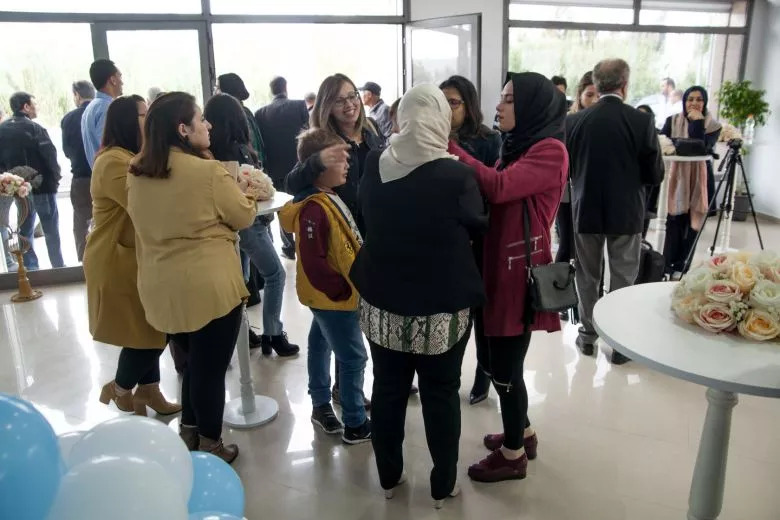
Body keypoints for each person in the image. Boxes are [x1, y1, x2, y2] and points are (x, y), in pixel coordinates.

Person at [351, 84, 487, 506]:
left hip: (382, 302)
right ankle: (443, 484)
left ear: (402, 117)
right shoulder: (457, 175)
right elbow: (477, 223)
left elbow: (365, 213)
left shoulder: (375, 162)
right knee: (441, 392)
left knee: (388, 390)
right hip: (439, 309)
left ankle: (390, 477)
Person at [447, 72, 568, 483]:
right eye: (501, 98)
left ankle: (513, 455)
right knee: (495, 360)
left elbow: (499, 188)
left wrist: (450, 150)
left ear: (534, 106)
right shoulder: (518, 145)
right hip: (496, 266)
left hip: (517, 275)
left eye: (510, 100)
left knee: (505, 369)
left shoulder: (550, 151)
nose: (499, 107)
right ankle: (524, 432)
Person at [126, 92, 257, 463]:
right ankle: (211, 443)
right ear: (183, 129)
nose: (208, 125)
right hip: (209, 286)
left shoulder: (137, 171)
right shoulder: (207, 172)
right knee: (210, 371)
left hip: (161, 286)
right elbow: (244, 216)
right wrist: (240, 192)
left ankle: (189, 429)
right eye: (201, 119)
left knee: (191, 365)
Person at [286, 73, 385, 406]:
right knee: (341, 319)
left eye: (353, 95)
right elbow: (294, 183)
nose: (350, 104)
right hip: (338, 242)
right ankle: (344, 392)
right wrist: (317, 162)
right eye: (340, 99)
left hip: (368, 236)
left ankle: (342, 388)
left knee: (330, 326)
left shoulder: (371, 132)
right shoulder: (320, 142)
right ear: (327, 104)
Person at [85, 94, 181, 417]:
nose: (148, 119)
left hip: (134, 258)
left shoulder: (130, 155)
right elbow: (143, 204)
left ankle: (149, 391)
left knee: (149, 327)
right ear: (129, 121)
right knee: (150, 332)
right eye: (143, 114)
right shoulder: (113, 161)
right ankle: (119, 387)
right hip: (116, 260)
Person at [566, 59, 663, 365]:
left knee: (587, 274)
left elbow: (566, 168)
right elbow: (654, 174)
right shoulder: (641, 121)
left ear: (598, 82)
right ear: (625, 84)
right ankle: (620, 344)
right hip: (627, 212)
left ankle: (588, 336)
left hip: (586, 210)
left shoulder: (575, 122)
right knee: (623, 276)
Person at [279, 127, 371, 445]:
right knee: (354, 357)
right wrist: (341, 291)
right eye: (340, 159)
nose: (347, 165)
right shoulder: (314, 208)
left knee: (320, 344)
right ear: (318, 167)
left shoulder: (328, 197)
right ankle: (356, 421)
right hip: (334, 298)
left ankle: (320, 405)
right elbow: (316, 264)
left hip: (329, 297)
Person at [204, 93, 299, 357]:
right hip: (250, 223)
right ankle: (273, 333)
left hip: (231, 225)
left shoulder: (210, 154)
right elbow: (252, 193)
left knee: (242, 279)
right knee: (275, 275)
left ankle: (243, 331)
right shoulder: (238, 151)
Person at [438, 75, 501, 406]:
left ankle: (483, 374)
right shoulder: (431, 135)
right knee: (452, 308)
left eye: (454, 102)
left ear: (468, 104)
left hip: (478, 234)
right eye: (442, 101)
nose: (447, 109)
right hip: (445, 237)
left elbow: (494, 188)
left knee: (480, 311)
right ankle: (449, 372)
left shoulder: (488, 140)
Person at [660, 86, 722, 274]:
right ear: (684, 102)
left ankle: (683, 267)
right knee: (674, 222)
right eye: (690, 99)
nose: (694, 103)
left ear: (704, 102)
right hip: (676, 180)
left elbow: (701, 148)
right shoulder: (672, 121)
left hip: (700, 182)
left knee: (694, 225)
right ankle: (667, 265)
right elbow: (663, 142)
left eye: (699, 99)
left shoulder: (713, 126)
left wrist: (697, 122)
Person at [0, 92, 63, 270]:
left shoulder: (2, 130)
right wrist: (55, 179)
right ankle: (58, 269)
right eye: (34, 104)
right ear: (26, 107)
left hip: (19, 189)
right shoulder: (35, 129)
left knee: (25, 230)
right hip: (42, 186)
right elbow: (50, 157)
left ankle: (30, 269)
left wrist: (9, 183)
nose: (37, 107)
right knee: (51, 230)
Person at [254, 76, 310, 260]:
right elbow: (309, 133)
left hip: (274, 168)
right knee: (302, 204)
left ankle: (288, 247)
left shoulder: (260, 113)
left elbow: (259, 143)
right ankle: (305, 243)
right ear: (285, 87)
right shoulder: (299, 105)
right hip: (297, 164)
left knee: (281, 207)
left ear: (272, 91)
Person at [554, 71, 598, 297]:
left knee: (588, 250)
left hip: (593, 196)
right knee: (566, 245)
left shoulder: (602, 123)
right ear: (581, 95)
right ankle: (559, 293)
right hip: (567, 194)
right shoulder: (569, 122)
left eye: (598, 95)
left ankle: (584, 296)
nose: (594, 100)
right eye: (589, 95)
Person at [61, 80, 95, 262]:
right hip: (104, 175)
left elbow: (67, 151)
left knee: (82, 222)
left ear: (77, 95)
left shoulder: (69, 119)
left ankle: (85, 264)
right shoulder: (103, 112)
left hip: (81, 177)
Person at [215, 73, 266, 167]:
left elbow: (250, 143)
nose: (215, 91)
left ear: (227, 90)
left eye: (217, 88)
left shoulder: (237, 115)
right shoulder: (245, 111)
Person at [82, 59, 123, 169]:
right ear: (113, 80)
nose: (122, 82)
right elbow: (109, 148)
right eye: (120, 76)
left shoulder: (91, 107)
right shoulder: (107, 108)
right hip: (111, 173)